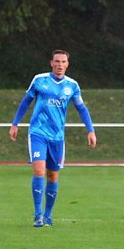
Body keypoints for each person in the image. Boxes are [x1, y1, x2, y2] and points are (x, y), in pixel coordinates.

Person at [9, 50, 97, 227]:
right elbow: (26, 101)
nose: (60, 65)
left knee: (52, 175)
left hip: (57, 137)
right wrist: (15, 123)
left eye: (63, 62)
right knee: (39, 171)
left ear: (67, 64)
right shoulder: (40, 80)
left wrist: (91, 130)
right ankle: (38, 215)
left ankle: (48, 215)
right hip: (38, 133)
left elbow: (81, 108)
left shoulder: (72, 85)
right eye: (57, 61)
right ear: (51, 63)